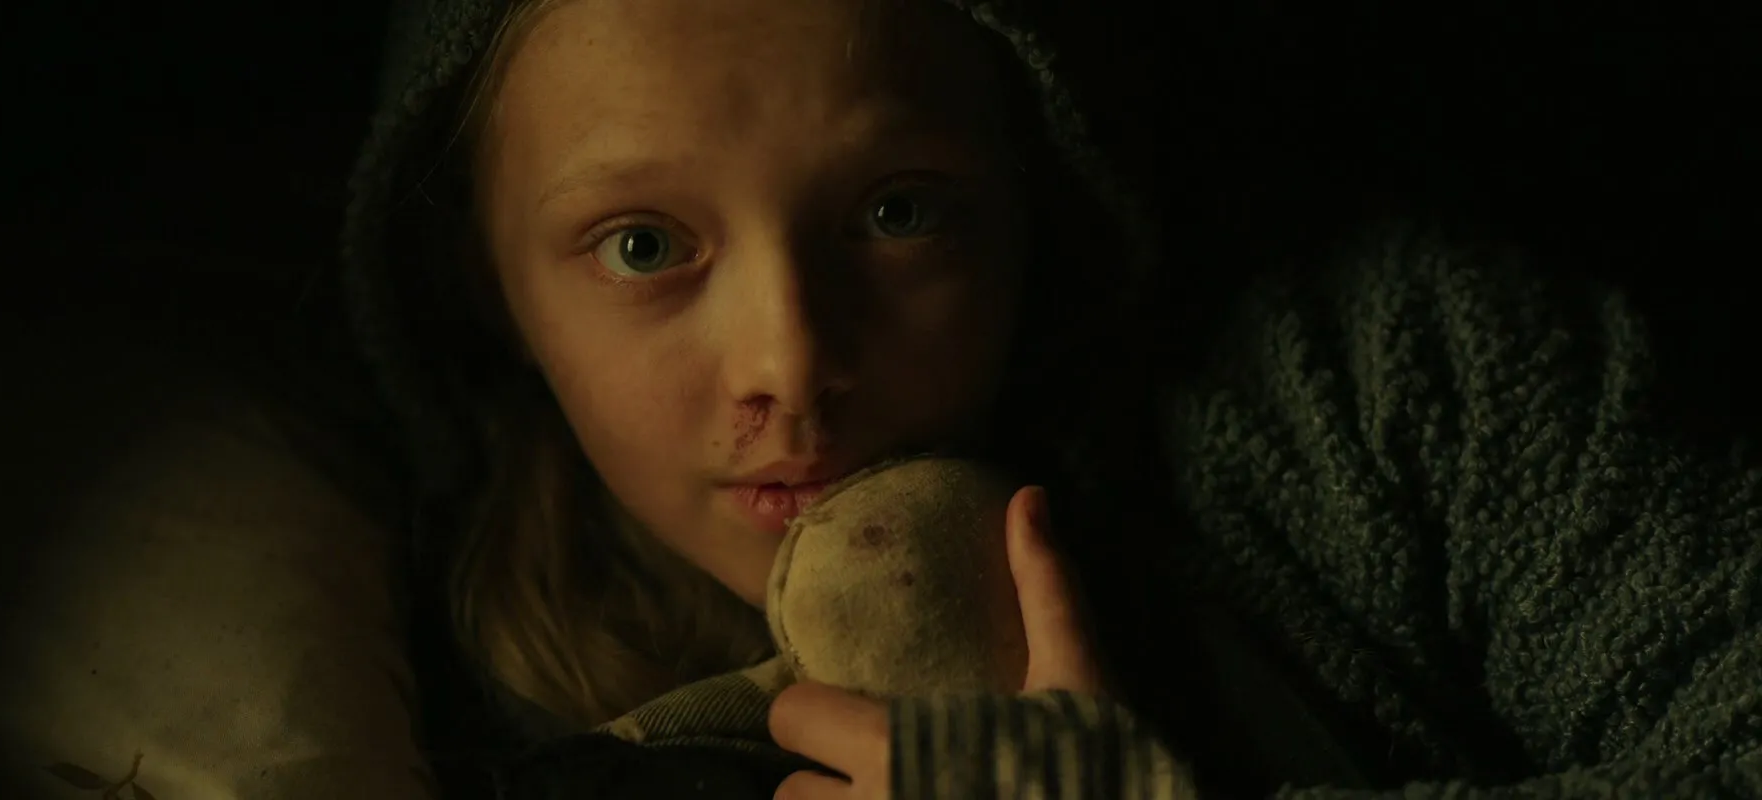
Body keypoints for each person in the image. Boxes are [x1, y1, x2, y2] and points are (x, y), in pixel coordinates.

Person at [338, 0, 1762, 796]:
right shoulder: (407, 703)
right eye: (644, 247)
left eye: (899, 213)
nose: (791, 361)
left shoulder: (1385, 384)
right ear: (483, 283)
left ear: (1033, 189)